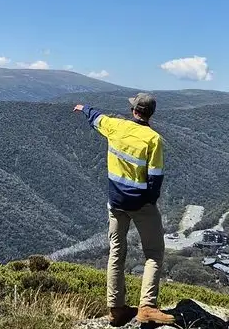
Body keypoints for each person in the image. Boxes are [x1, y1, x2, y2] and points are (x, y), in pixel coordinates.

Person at [74, 93, 173, 327]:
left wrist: (84, 108)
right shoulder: (153, 139)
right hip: (140, 204)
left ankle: (116, 309)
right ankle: (147, 307)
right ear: (151, 114)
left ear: (133, 111)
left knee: (116, 253)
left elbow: (96, 118)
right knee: (154, 252)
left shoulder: (115, 127)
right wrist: (149, 201)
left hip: (116, 202)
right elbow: (155, 177)